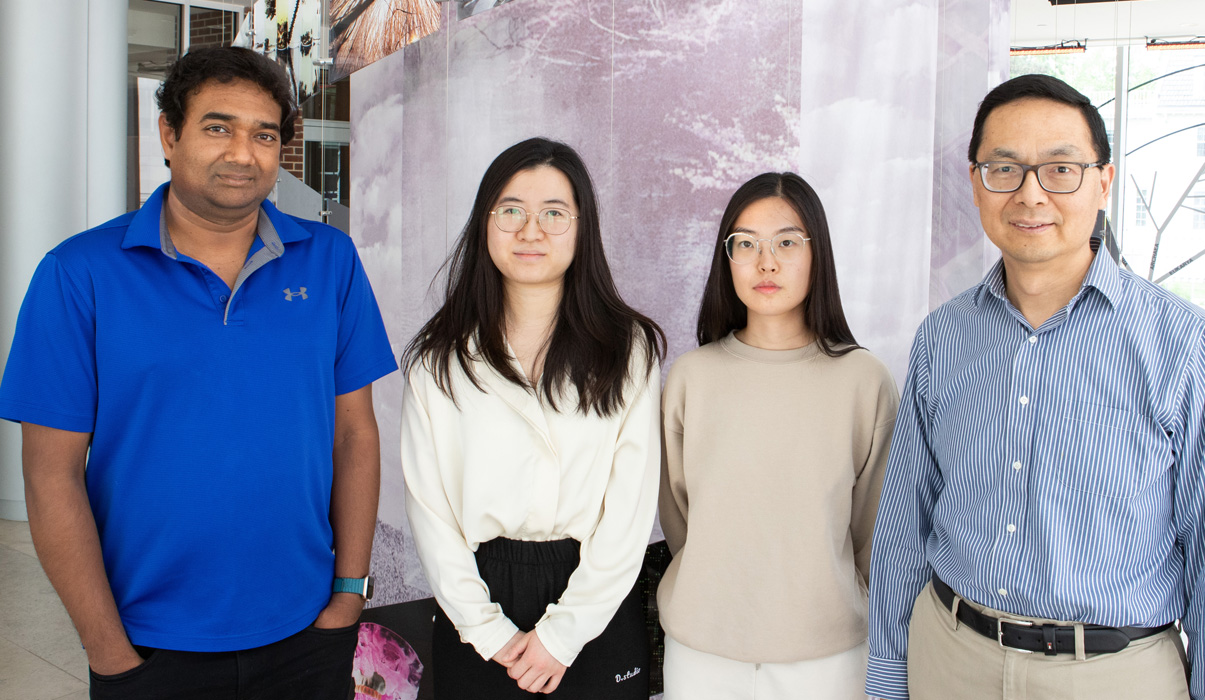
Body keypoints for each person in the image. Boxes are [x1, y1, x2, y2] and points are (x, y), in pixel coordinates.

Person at [0, 47, 397, 699]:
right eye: (218, 127)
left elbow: (355, 434)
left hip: (306, 631)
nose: (242, 153)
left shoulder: (330, 261)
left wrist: (349, 595)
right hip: (149, 645)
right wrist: (108, 651)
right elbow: (50, 472)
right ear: (169, 133)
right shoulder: (78, 274)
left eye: (263, 135)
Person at [865, 73, 1205, 700]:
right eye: (1005, 169)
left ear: (1102, 181)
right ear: (975, 183)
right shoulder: (942, 337)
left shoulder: (1184, 343)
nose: (1030, 194)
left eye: (1060, 170)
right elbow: (903, 526)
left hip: (1114, 673)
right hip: (950, 657)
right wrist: (887, 678)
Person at [399, 137, 664, 699]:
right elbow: (429, 510)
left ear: (582, 227)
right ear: (484, 222)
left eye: (553, 214)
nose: (530, 230)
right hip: (476, 603)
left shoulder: (628, 348)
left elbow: (630, 510)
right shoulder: (439, 357)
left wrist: (563, 635)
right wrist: (486, 630)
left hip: (594, 599)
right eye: (511, 211)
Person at [657, 172, 898, 699]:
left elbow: (871, 531)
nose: (766, 262)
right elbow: (678, 517)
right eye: (746, 244)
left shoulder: (865, 381)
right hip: (702, 651)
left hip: (828, 656)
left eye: (787, 242)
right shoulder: (691, 377)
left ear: (818, 254)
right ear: (728, 259)